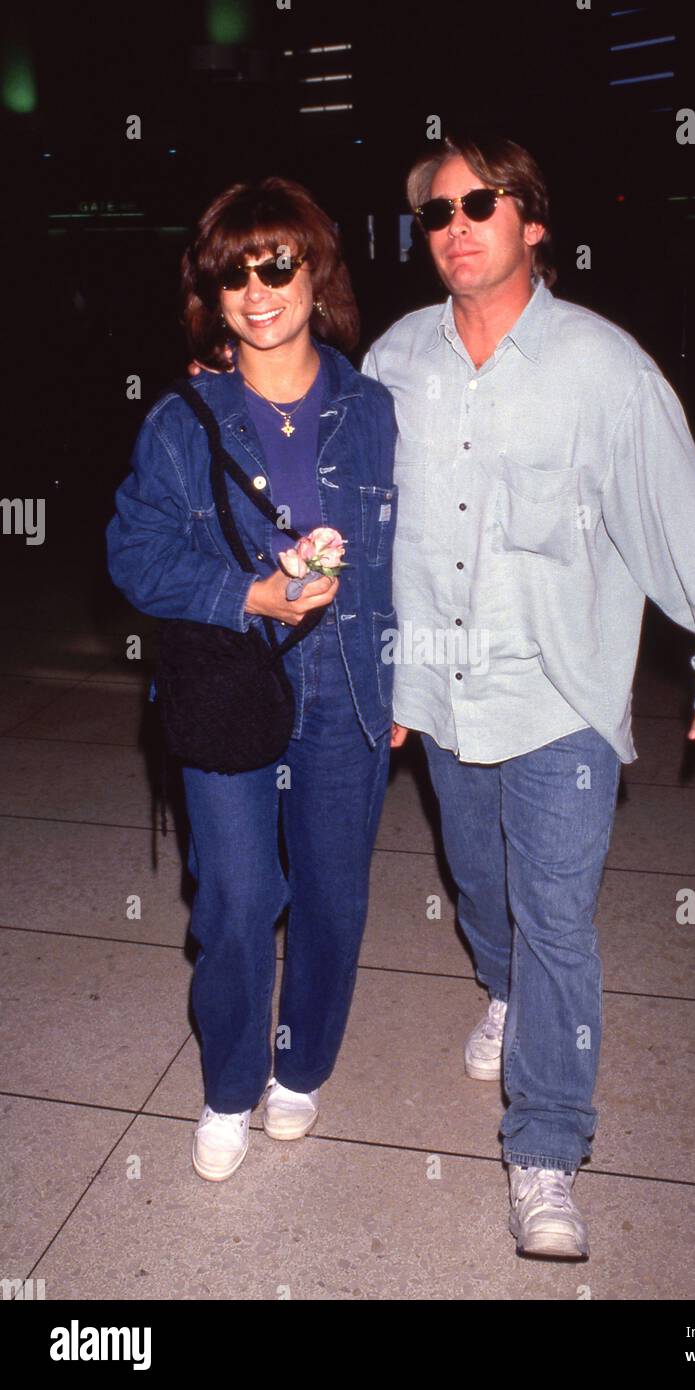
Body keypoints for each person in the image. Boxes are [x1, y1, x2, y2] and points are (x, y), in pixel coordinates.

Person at [363, 135, 695, 1259]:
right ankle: (499, 987)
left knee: (556, 920)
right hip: (444, 690)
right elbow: (357, 519)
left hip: (559, 696)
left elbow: (674, 515)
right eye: (437, 209)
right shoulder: (397, 359)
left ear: (532, 222)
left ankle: (545, 1150)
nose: (455, 223)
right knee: (478, 881)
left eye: (479, 203)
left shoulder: (604, 368)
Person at [107, 177, 398, 1181]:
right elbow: (133, 556)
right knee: (233, 895)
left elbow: (409, 554)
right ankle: (229, 1085)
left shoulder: (372, 409)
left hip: (350, 679)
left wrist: (409, 687)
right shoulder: (186, 419)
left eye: (278, 263)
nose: (258, 289)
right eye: (235, 272)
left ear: (317, 273)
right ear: (214, 292)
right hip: (232, 675)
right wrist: (248, 595)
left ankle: (299, 1066)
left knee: (331, 896)